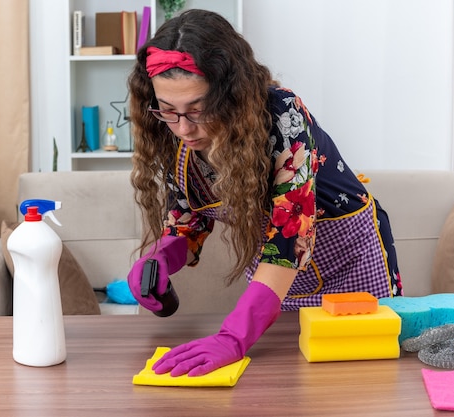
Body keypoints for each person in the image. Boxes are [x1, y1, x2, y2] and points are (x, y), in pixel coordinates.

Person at [126, 9, 402, 378]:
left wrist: (233, 337)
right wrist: (161, 258)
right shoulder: (177, 134)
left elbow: (289, 235)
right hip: (275, 285)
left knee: (363, 380)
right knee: (292, 382)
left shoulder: (282, 114)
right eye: (168, 111)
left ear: (230, 95)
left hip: (350, 265)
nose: (183, 128)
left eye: (198, 110)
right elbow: (188, 220)